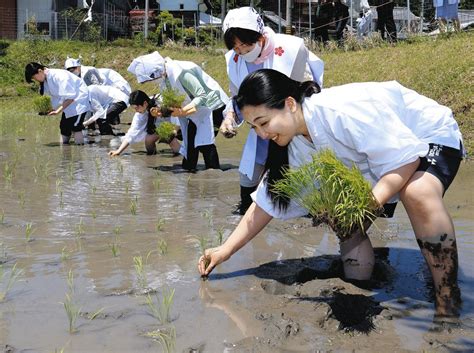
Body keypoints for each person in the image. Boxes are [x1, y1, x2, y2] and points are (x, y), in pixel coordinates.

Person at [198, 69, 464, 320]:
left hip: (425, 135)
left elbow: (405, 159)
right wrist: (225, 250)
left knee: (416, 191)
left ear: (290, 104)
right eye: (255, 128)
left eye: (263, 122)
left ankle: (447, 297)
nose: (262, 134)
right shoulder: (292, 143)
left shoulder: (338, 112)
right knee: (343, 214)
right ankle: (356, 286)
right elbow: (264, 204)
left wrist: (367, 205)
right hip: (377, 156)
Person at [219, 6, 324, 215]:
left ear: (258, 35)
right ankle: (250, 215)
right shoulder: (234, 61)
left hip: (289, 128)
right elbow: (238, 99)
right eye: (236, 47)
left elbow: (306, 92)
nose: (241, 52)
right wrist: (229, 116)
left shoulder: (290, 48)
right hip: (260, 129)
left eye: (245, 45)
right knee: (250, 178)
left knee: (297, 177)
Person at [127, 51, 229, 171]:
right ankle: (189, 169)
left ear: (156, 71)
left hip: (212, 107)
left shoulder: (180, 72)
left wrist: (183, 112)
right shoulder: (166, 80)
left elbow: (202, 95)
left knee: (204, 142)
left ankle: (213, 174)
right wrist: (163, 111)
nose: (151, 83)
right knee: (191, 143)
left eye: (150, 80)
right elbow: (175, 102)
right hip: (195, 111)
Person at [25, 62, 90, 145]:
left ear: (40, 71)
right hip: (68, 103)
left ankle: (80, 153)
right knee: (64, 127)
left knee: (76, 127)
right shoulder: (46, 79)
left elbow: (70, 97)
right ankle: (64, 151)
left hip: (79, 101)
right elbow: (53, 97)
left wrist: (58, 111)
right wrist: (49, 109)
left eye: (34, 77)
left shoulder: (58, 76)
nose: (36, 80)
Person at [108, 90, 181, 157]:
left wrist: (175, 130)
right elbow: (131, 134)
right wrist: (118, 151)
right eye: (134, 109)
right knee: (148, 139)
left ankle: (184, 155)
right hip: (162, 128)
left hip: (178, 123)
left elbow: (179, 111)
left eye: (137, 108)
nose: (136, 111)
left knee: (172, 142)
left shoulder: (161, 101)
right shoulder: (140, 115)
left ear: (145, 103)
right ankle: (152, 157)